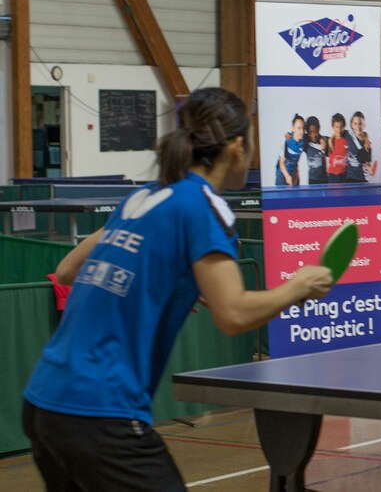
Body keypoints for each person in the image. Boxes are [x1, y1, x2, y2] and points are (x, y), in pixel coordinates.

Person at [22, 87, 335, 491]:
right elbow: (234, 314)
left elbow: (67, 270)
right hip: (100, 409)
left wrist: (166, 281)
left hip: (44, 403)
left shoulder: (143, 197)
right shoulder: (202, 207)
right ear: (237, 147)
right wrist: (299, 286)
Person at [276, 114, 305, 186]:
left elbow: (315, 137)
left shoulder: (304, 140)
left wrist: (322, 139)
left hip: (293, 174)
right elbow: (281, 163)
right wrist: (287, 176)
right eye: (299, 128)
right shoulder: (286, 140)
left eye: (303, 128)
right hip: (282, 174)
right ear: (293, 128)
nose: (302, 131)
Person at [345, 111, 373, 182]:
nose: (358, 126)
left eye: (360, 123)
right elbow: (337, 132)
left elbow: (367, 163)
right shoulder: (347, 134)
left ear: (364, 124)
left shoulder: (367, 143)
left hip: (362, 179)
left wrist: (369, 168)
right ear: (351, 125)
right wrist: (330, 139)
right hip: (349, 178)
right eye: (355, 123)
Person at [303, 115, 328, 185]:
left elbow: (334, 138)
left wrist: (323, 139)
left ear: (319, 129)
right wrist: (289, 134)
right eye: (311, 132)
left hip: (325, 179)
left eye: (316, 131)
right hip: (312, 179)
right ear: (307, 131)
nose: (313, 135)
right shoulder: (306, 141)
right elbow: (297, 135)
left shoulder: (324, 140)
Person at [327, 112, 349, 184]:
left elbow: (359, 134)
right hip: (332, 176)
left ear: (344, 126)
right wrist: (330, 139)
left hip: (345, 175)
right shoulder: (328, 141)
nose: (339, 130)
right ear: (332, 126)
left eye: (341, 127)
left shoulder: (347, 139)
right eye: (336, 127)